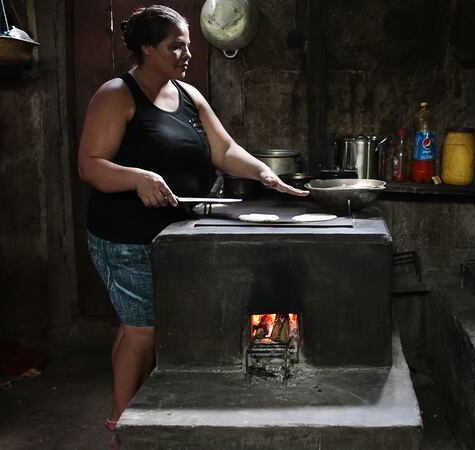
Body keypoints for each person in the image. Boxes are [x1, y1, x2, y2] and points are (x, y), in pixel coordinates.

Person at [76, 5, 307, 448]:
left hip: (174, 238)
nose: (186, 53)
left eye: (187, 44)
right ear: (147, 49)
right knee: (143, 334)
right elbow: (89, 166)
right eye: (174, 46)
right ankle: (122, 430)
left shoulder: (187, 95)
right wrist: (137, 177)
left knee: (135, 330)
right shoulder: (117, 94)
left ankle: (132, 414)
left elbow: (224, 150)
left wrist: (262, 172)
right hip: (126, 237)